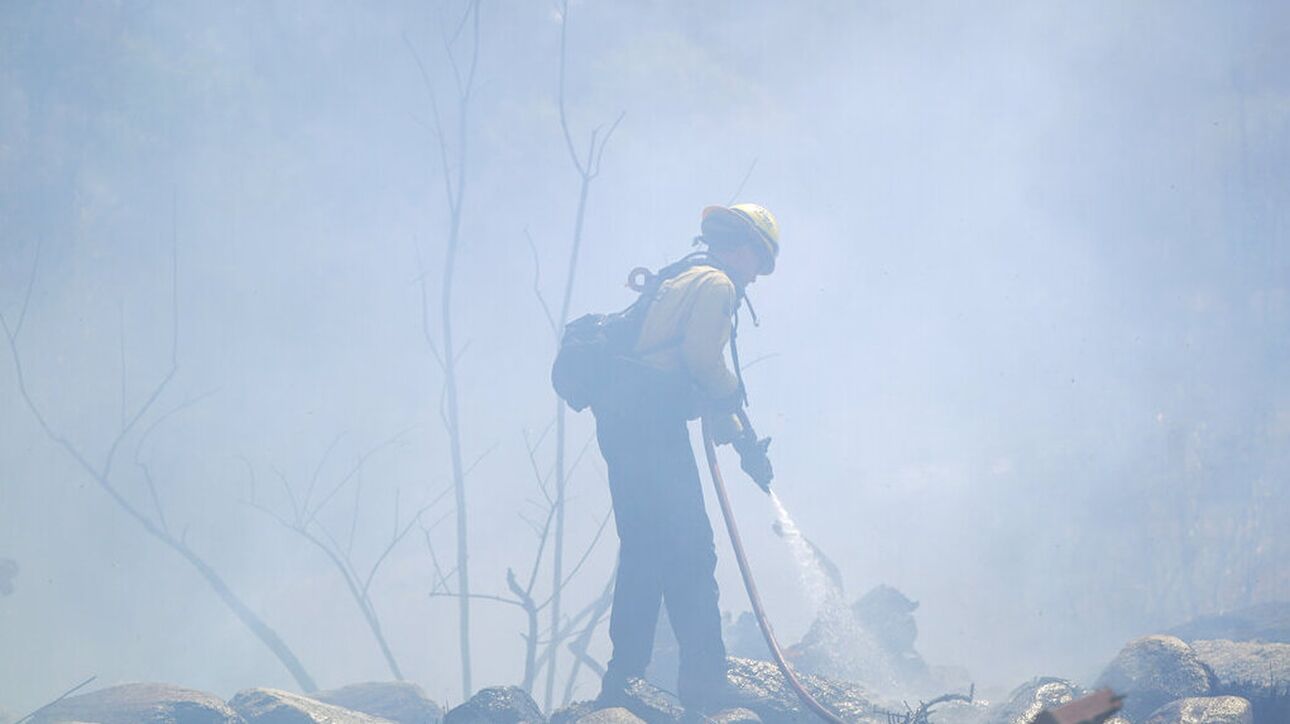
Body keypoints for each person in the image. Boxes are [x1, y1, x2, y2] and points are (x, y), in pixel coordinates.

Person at [593, 203, 780, 712]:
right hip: (651, 429)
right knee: (692, 552)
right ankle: (704, 684)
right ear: (745, 250)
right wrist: (732, 401)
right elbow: (703, 361)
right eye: (761, 265)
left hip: (625, 421)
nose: (757, 277)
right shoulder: (717, 285)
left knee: (646, 549)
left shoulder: (684, 276)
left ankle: (624, 678)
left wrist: (740, 438)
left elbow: (686, 366)